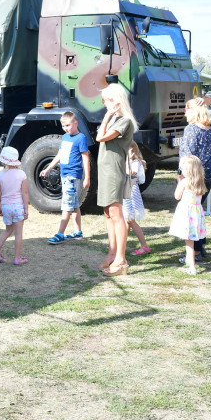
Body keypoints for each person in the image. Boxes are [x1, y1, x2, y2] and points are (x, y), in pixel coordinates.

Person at [95, 83, 137, 277]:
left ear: (116, 101)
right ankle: (112, 253)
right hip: (105, 171)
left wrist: (107, 115)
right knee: (107, 213)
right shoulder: (114, 120)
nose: (104, 103)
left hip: (113, 172)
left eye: (107, 100)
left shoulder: (124, 121)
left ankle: (121, 259)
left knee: (116, 213)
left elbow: (100, 138)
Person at [39, 111, 91, 244]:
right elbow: (60, 154)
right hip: (64, 174)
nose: (66, 128)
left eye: (68, 125)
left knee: (67, 205)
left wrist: (87, 178)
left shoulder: (81, 138)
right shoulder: (65, 137)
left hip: (72, 176)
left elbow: (85, 158)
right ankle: (78, 232)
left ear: (76, 123)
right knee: (73, 204)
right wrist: (48, 168)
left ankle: (60, 234)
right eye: (63, 126)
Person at [180, 97, 211, 263]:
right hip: (207, 173)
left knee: (190, 214)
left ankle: (194, 251)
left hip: (192, 175)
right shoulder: (209, 127)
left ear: (193, 111)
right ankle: (200, 246)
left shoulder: (191, 129)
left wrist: (180, 176)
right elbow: (208, 101)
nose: (184, 112)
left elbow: (187, 154)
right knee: (198, 211)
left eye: (187, 108)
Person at [0, 147, 30, 265]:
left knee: (8, 230)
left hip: (6, 206)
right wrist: (26, 209)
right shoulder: (21, 174)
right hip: (18, 207)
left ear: (3, 160)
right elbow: (25, 193)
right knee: (18, 233)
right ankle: (17, 258)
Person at [169, 155, 207, 276]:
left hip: (186, 214)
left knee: (189, 242)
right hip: (196, 213)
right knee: (192, 240)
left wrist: (179, 182)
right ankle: (189, 261)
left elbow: (177, 196)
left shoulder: (185, 182)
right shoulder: (200, 182)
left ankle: (191, 265)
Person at [123, 144, 150, 257]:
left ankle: (144, 246)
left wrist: (125, 162)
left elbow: (130, 174)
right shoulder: (131, 162)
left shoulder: (134, 163)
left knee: (131, 221)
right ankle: (122, 245)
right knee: (127, 221)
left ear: (133, 152)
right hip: (126, 193)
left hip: (130, 194)